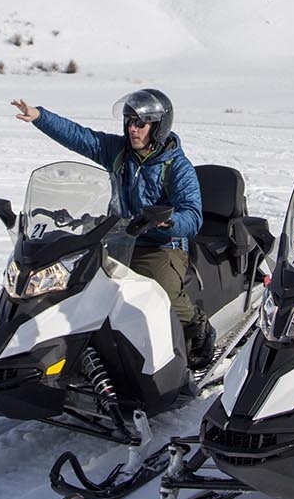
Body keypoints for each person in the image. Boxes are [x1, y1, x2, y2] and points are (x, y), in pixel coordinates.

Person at [11, 89, 217, 368]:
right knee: (76, 285)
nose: (132, 129)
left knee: (163, 294)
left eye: (140, 124)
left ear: (158, 126)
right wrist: (40, 117)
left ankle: (197, 326)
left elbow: (192, 215)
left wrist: (167, 222)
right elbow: (80, 138)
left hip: (160, 246)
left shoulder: (177, 167)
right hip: (118, 239)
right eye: (129, 121)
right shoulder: (119, 153)